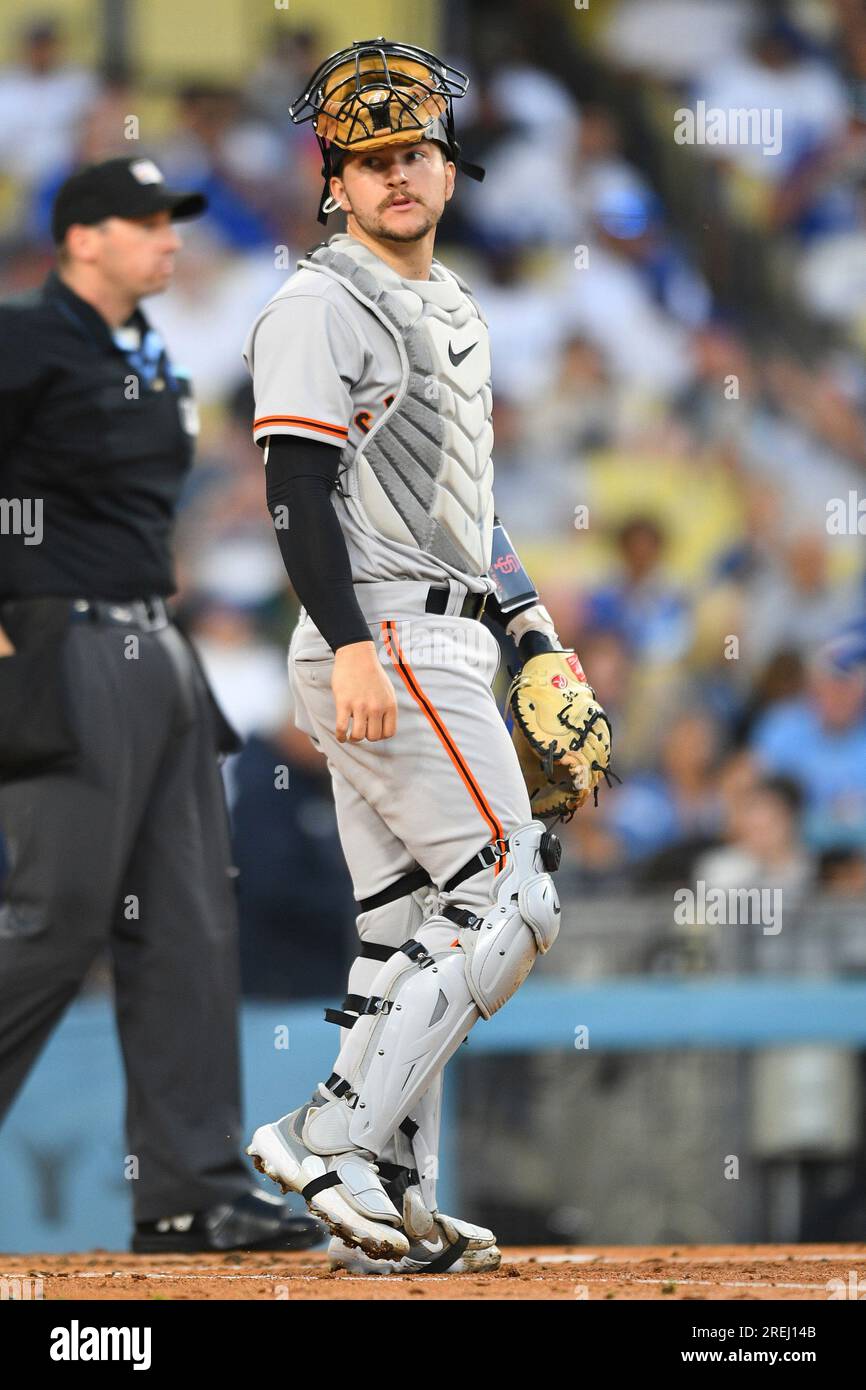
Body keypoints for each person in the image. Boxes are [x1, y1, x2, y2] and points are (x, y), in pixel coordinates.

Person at [243, 38, 610, 1274]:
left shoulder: (452, 308)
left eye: (414, 152)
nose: (396, 174)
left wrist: (536, 639)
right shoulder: (315, 301)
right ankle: (325, 1135)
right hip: (384, 630)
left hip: (447, 631)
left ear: (449, 171)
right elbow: (294, 491)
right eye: (369, 158)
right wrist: (350, 645)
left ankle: (389, 1193)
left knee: (407, 923)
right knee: (511, 888)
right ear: (332, 180)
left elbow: (471, 509)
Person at [0, 156, 321, 1254]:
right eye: (143, 222)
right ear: (81, 238)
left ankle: (192, 1189)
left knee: (187, 921)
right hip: (63, 637)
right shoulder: (23, 335)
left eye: (169, 221)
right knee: (57, 919)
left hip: (154, 640)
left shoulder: (143, 352)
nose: (168, 238)